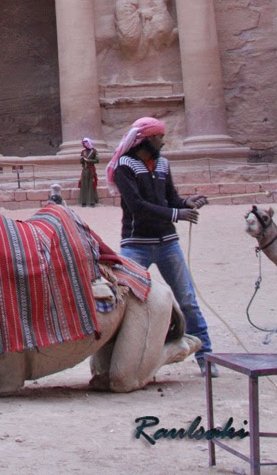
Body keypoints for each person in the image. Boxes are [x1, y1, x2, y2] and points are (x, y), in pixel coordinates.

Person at [107, 115, 217, 376]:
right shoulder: (125, 166)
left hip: (168, 243)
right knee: (123, 301)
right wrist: (177, 214)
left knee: (187, 300)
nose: (162, 141)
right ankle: (113, 362)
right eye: (158, 137)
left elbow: (171, 198)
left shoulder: (163, 164)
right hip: (136, 244)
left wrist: (186, 203)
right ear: (145, 139)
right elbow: (137, 206)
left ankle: (206, 357)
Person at [78, 137, 99, 206]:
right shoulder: (83, 152)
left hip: (91, 170)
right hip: (85, 170)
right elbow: (81, 162)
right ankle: (83, 201)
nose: (83, 145)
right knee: (84, 185)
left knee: (91, 185)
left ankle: (92, 201)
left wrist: (88, 160)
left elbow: (97, 160)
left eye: (84, 143)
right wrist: (82, 159)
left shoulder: (94, 151)